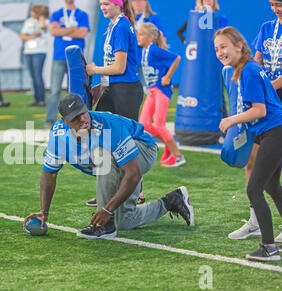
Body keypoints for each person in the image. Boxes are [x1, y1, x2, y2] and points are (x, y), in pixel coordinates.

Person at [23, 93, 195, 239]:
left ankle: (104, 226)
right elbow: (49, 174)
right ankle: (173, 200)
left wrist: (106, 209)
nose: (83, 119)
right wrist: (44, 212)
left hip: (143, 150)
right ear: (65, 121)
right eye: (75, 117)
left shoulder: (108, 127)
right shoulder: (58, 135)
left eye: (83, 112)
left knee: (103, 154)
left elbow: (133, 173)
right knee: (126, 221)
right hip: (121, 163)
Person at [215, 27, 282, 262]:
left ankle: (269, 248)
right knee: (272, 187)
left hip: (275, 133)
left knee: (254, 189)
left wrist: (231, 119)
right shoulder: (245, 69)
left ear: (239, 47)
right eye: (216, 48)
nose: (220, 52)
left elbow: (259, 110)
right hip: (270, 132)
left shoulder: (249, 71)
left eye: (224, 46)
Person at [228, 0, 282, 241]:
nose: (276, 8)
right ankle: (256, 220)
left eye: (279, 4)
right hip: (265, 96)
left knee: (272, 169)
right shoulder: (267, 27)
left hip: (271, 98)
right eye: (272, 4)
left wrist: (265, 88)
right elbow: (257, 59)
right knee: (253, 161)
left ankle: (267, 240)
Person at [86, 0, 143, 122]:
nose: (102, 7)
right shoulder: (115, 25)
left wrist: (94, 70)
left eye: (106, 4)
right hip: (114, 86)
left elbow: (119, 68)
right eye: (101, 4)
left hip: (126, 89)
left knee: (127, 136)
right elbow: (111, 63)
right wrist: (102, 87)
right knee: (100, 129)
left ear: (118, 4)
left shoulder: (121, 27)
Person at [137, 23, 184, 167]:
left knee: (159, 125)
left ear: (150, 38)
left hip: (161, 90)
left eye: (141, 34)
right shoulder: (145, 50)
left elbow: (176, 58)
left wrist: (168, 77)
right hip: (152, 91)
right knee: (144, 124)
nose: (138, 37)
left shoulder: (154, 50)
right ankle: (169, 147)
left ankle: (178, 155)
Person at [44, 0, 90, 128]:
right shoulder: (57, 14)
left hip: (76, 59)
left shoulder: (82, 14)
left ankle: (77, 121)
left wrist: (62, 30)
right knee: (54, 91)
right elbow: (53, 32)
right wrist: (72, 29)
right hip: (59, 56)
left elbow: (82, 33)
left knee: (76, 91)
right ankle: (49, 121)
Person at [21, 5, 49, 107]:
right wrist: (33, 36)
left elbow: (43, 27)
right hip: (28, 51)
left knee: (38, 75)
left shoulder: (45, 21)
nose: (31, 13)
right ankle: (36, 99)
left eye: (33, 11)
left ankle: (41, 100)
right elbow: (23, 36)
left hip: (39, 51)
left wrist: (41, 17)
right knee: (33, 76)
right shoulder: (28, 21)